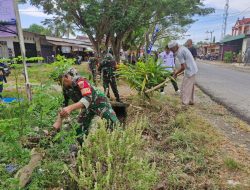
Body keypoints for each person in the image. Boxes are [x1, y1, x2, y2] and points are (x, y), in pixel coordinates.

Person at [53, 69, 119, 142]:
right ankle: (80, 148)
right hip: (87, 107)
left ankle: (119, 142)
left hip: (100, 103)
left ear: (67, 77)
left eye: (60, 80)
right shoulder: (66, 88)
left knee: (113, 123)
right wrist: (58, 121)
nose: (60, 83)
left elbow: (87, 98)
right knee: (79, 128)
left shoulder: (81, 81)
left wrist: (70, 108)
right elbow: (64, 104)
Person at [168, 41, 198, 105]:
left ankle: (185, 102)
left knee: (185, 87)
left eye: (172, 49)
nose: (171, 51)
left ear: (175, 47)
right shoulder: (183, 48)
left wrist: (175, 74)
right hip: (193, 69)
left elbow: (183, 67)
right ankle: (190, 101)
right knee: (190, 87)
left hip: (189, 71)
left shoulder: (179, 53)